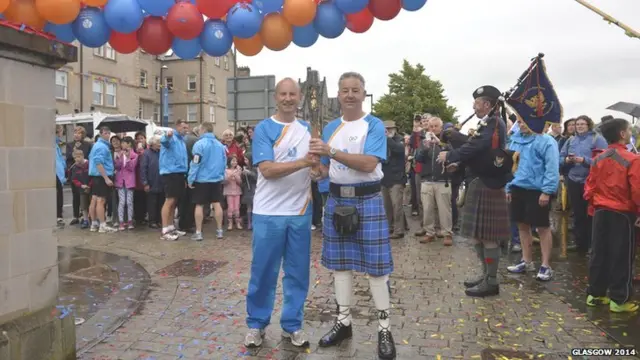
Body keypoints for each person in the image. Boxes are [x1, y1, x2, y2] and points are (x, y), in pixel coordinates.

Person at [309, 72, 395, 360]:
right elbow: (324, 168)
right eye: (344, 90)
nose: (349, 95)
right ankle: (343, 322)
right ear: (338, 92)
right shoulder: (331, 126)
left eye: (355, 90)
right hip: (336, 200)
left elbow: (370, 163)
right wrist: (317, 170)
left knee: (376, 269)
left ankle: (384, 328)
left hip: (367, 200)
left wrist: (331, 151)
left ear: (363, 92)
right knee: (340, 267)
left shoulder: (374, 125)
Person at [244, 78, 316, 349]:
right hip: (268, 212)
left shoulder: (308, 128)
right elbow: (268, 170)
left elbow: (316, 167)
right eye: (283, 94)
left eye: (292, 94)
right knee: (263, 271)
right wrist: (303, 163)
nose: (288, 98)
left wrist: (318, 169)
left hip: (299, 211)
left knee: (297, 273)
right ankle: (256, 324)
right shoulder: (264, 128)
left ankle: (292, 325)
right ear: (276, 97)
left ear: (299, 98)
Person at [437, 85, 511, 298]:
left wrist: (450, 156)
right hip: (479, 180)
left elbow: (477, 147)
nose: (474, 106)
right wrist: (458, 163)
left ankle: (492, 281)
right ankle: (486, 275)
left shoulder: (495, 123)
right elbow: (477, 151)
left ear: (487, 104)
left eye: (477, 103)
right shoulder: (488, 123)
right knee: (478, 236)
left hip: (489, 183)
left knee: (488, 237)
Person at [584, 118, 640, 313]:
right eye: (629, 130)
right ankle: (619, 299)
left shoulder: (598, 158)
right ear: (623, 134)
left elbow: (589, 186)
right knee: (621, 255)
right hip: (622, 213)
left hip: (600, 210)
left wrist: (593, 206)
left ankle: (595, 294)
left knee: (599, 252)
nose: (631, 133)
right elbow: (637, 190)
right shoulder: (632, 159)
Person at [505, 117, 560, 281]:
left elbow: (552, 167)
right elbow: (510, 166)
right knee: (522, 225)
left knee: (542, 227)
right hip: (517, 188)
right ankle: (526, 260)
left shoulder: (547, 141)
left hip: (537, 190)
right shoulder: (515, 141)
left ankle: (545, 265)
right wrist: (509, 186)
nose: (520, 125)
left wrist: (547, 191)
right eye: (519, 122)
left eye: (524, 122)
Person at [559, 115, 607, 253]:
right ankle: (580, 244)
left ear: (588, 125)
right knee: (578, 213)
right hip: (573, 180)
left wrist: (584, 160)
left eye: (582, 124)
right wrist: (567, 160)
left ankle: (593, 245)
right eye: (577, 124)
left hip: (591, 181)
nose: (579, 126)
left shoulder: (597, 139)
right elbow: (560, 158)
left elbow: (603, 161)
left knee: (591, 214)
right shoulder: (570, 140)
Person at [187, 122, 226, 241]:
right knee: (216, 203)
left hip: (202, 179)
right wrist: (221, 175)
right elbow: (224, 162)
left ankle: (199, 232)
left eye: (199, 129)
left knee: (199, 205)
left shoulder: (199, 144)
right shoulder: (220, 145)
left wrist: (190, 178)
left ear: (203, 129)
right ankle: (219, 231)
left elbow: (195, 162)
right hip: (216, 179)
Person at [159, 119, 189, 241]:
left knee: (174, 201)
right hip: (170, 173)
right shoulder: (172, 138)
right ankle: (165, 230)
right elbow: (164, 141)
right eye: (183, 127)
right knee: (169, 200)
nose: (186, 130)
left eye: (187, 128)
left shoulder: (182, 141)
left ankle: (171, 227)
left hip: (179, 173)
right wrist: (167, 135)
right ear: (177, 127)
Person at [381, 120, 407, 239]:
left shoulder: (399, 139)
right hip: (384, 177)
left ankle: (399, 230)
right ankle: (389, 227)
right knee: (387, 206)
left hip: (397, 178)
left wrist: (387, 138)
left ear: (395, 129)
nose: (388, 131)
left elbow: (399, 150)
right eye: (386, 129)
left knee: (397, 206)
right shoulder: (380, 141)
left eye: (390, 129)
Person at [88, 126, 117, 233]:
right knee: (101, 200)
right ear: (101, 134)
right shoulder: (102, 147)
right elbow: (98, 162)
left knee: (94, 199)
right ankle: (102, 225)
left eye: (108, 133)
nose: (108, 135)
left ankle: (94, 223)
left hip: (96, 176)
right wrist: (106, 178)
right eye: (105, 133)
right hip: (101, 176)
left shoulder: (97, 145)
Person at [114, 137, 139, 231]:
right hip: (120, 181)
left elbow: (131, 167)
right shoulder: (120, 154)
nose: (122, 145)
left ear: (129, 144)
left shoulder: (134, 155)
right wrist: (118, 158)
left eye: (124, 143)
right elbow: (117, 166)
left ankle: (130, 221)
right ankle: (121, 221)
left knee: (129, 202)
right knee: (121, 201)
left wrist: (128, 158)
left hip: (129, 182)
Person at [141, 136, 164, 229]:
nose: (160, 144)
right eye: (158, 142)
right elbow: (143, 169)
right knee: (152, 203)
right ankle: (152, 221)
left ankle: (160, 220)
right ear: (153, 144)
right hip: (151, 181)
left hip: (161, 181)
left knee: (161, 202)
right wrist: (145, 182)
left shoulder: (161, 152)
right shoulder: (146, 153)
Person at [70, 150, 91, 229]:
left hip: (91, 187)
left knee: (92, 204)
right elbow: (74, 179)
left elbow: (93, 174)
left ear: (83, 156)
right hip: (82, 189)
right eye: (75, 158)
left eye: (78, 157)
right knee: (84, 205)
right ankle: (85, 220)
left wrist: (89, 185)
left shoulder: (89, 164)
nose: (77, 159)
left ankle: (94, 218)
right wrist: (81, 185)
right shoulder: (74, 167)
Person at [224, 156, 243, 230]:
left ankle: (237, 222)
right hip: (229, 191)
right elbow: (224, 181)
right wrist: (229, 177)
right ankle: (230, 223)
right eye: (233, 161)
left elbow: (240, 182)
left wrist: (236, 176)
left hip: (237, 191)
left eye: (236, 161)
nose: (234, 162)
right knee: (230, 207)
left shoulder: (238, 170)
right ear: (229, 162)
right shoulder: (225, 170)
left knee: (237, 207)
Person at [55, 125, 67, 227]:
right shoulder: (54, 144)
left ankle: (58, 215)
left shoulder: (56, 144)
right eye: (62, 131)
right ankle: (58, 216)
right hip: (57, 174)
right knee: (58, 195)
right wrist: (61, 176)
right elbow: (57, 162)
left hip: (58, 173)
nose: (62, 134)